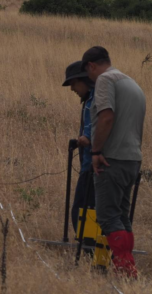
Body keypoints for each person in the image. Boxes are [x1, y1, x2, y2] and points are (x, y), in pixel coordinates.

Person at [82, 46, 146, 278]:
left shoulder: (104, 80)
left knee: (108, 216)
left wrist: (96, 151)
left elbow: (106, 116)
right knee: (121, 215)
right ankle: (127, 269)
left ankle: (126, 270)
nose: (89, 79)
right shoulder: (131, 83)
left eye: (87, 74)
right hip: (132, 159)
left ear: (91, 66)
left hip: (112, 159)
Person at [61, 60, 95, 234]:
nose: (72, 89)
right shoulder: (90, 99)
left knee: (82, 211)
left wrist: (84, 139)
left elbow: (94, 130)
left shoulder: (95, 100)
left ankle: (89, 249)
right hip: (89, 164)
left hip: (92, 165)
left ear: (84, 80)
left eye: (73, 83)